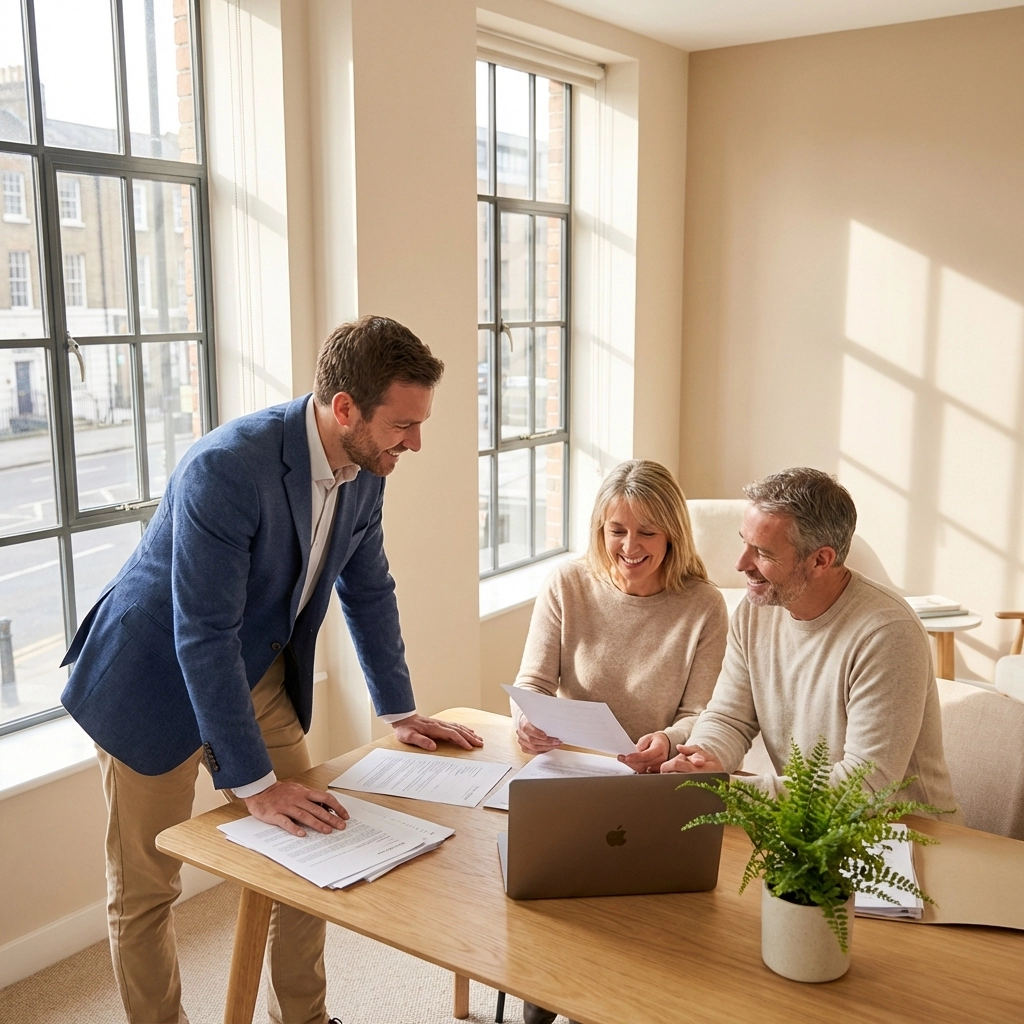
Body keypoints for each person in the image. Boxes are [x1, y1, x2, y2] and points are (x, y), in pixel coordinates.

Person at [60, 315, 482, 1024]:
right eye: (403, 424)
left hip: (249, 671)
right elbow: (201, 632)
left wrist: (399, 709)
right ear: (345, 407)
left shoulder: (368, 468)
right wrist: (253, 787)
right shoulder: (228, 466)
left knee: (314, 843)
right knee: (146, 890)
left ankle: (306, 1019)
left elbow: (369, 588)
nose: (415, 442)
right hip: (149, 679)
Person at [661, 467, 962, 822]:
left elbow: (865, 788)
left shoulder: (887, 633)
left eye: (763, 552)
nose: (741, 563)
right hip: (803, 828)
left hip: (905, 837)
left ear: (821, 559)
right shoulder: (755, 611)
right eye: (744, 542)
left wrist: (729, 791)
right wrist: (699, 758)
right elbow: (729, 717)